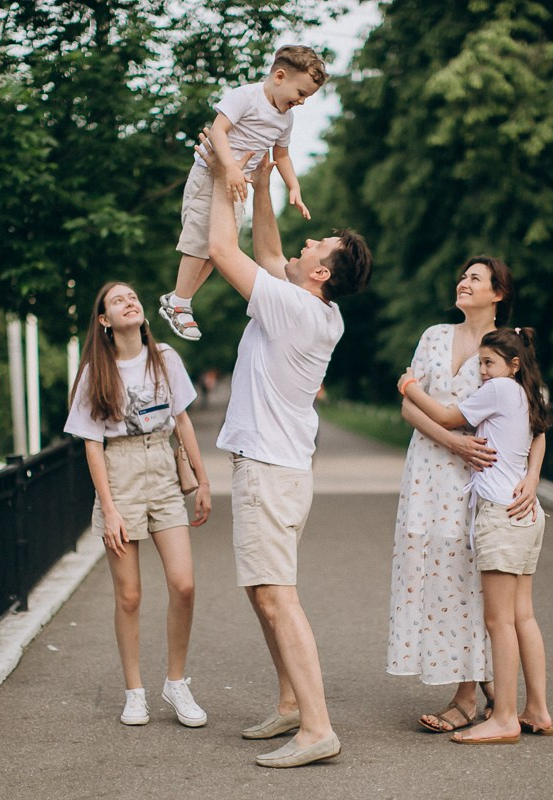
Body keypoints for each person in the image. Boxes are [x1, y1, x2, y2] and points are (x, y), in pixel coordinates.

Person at [198, 133, 372, 767]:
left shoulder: (296, 311)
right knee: (261, 590)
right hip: (276, 466)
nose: (303, 245)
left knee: (276, 594)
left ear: (321, 273)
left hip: (270, 470)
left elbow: (224, 249)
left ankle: (317, 728)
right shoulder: (308, 306)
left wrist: (226, 173)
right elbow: (268, 248)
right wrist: (267, 181)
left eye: (315, 247)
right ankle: (293, 703)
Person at [387, 256, 546, 734]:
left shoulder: (507, 345)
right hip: (427, 475)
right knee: (436, 582)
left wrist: (533, 479)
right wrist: (451, 441)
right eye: (462, 276)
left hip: (483, 481)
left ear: (498, 292)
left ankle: (466, 696)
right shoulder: (434, 335)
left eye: (474, 278)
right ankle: (482, 683)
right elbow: (409, 407)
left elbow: (537, 420)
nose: (462, 282)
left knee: (473, 585)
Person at [64, 282, 213, 728]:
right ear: (105, 321)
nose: (130, 301)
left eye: (133, 297)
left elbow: (182, 420)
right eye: (117, 300)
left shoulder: (165, 358)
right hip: (121, 474)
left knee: (183, 585)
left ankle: (176, 682)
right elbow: (93, 446)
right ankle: (134, 692)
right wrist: (108, 509)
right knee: (129, 595)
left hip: (163, 470)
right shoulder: (96, 372)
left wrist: (203, 481)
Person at [159, 45, 328, 342]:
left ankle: (179, 299)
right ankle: (181, 302)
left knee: (219, 249)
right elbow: (218, 131)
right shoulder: (246, 97)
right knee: (200, 237)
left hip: (237, 185)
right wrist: (230, 168)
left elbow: (282, 155)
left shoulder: (285, 118)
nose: (301, 102)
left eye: (306, 98)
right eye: (300, 93)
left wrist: (294, 186)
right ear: (279, 76)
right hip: (211, 175)